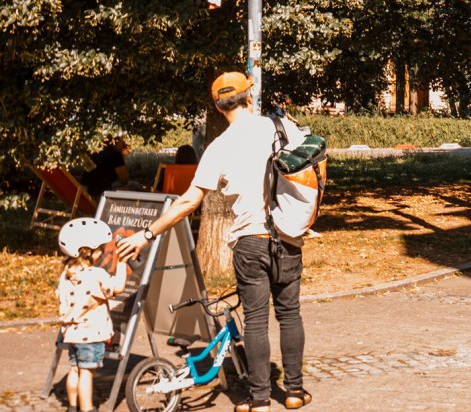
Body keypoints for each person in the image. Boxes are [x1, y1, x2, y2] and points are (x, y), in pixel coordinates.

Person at [116, 72, 312, 412]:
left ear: (219, 107)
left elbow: (189, 201)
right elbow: (313, 166)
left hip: (249, 241)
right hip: (287, 235)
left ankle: (260, 399)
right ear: (249, 97)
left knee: (255, 319)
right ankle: (294, 391)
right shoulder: (280, 128)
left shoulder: (218, 147)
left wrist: (147, 234)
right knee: (290, 314)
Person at [57, 218, 127, 412]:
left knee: (74, 369)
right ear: (90, 251)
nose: (103, 252)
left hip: (71, 333)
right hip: (91, 335)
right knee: (87, 374)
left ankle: (72, 406)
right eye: (101, 249)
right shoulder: (95, 275)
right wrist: (121, 262)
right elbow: (118, 288)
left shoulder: (67, 273)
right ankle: (87, 408)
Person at [80, 136, 133, 200]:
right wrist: (122, 157)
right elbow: (124, 180)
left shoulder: (95, 152)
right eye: (122, 141)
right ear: (116, 141)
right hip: (101, 195)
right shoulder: (115, 154)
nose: (124, 144)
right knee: (134, 186)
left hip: (85, 193)